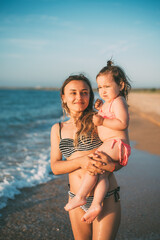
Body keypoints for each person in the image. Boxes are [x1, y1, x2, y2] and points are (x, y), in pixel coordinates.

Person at [50, 74, 123, 240]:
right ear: (63, 97)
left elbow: (120, 155)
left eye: (84, 92)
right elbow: (55, 167)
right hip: (76, 199)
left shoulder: (99, 121)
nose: (79, 97)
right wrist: (81, 162)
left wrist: (111, 167)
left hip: (107, 197)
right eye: (73, 92)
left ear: (90, 95)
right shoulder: (58, 129)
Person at [64, 61, 131, 224]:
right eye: (100, 88)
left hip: (116, 143)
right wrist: (101, 107)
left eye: (107, 87)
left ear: (120, 85)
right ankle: (96, 204)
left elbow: (123, 123)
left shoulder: (119, 101)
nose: (103, 91)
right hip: (113, 145)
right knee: (101, 175)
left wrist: (101, 122)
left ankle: (81, 195)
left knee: (94, 161)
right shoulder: (110, 103)